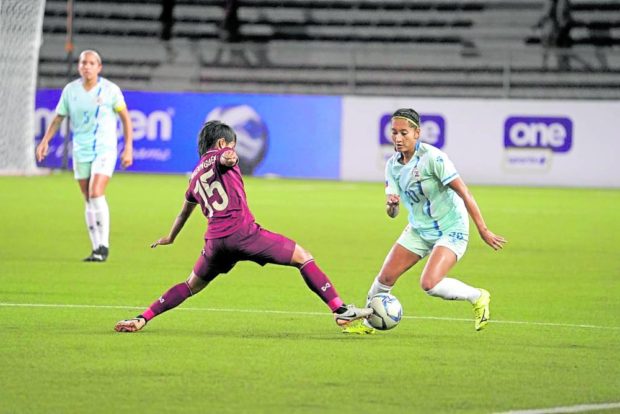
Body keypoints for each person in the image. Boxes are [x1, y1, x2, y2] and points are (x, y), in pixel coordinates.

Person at [114, 120, 372, 333]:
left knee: (191, 285)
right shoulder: (222, 155)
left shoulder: (193, 177)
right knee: (303, 258)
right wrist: (228, 155)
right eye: (232, 146)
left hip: (215, 243)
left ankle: (143, 317)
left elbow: (183, 213)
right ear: (222, 143)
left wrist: (170, 237)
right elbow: (227, 159)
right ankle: (340, 311)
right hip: (244, 234)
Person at [343, 108, 506, 335]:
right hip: (419, 229)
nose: (398, 139)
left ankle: (477, 296)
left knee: (429, 284)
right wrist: (392, 206)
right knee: (385, 278)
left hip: (451, 228)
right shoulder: (393, 166)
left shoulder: (434, 158)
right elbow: (392, 214)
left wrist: (483, 230)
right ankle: (369, 322)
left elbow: (464, 192)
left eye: (404, 133)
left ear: (417, 133)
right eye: (394, 133)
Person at [36, 50, 133, 262]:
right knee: (88, 198)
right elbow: (58, 118)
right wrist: (45, 141)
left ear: (99, 67)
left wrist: (128, 147)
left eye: (91, 63)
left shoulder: (110, 90)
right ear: (79, 67)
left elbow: (126, 119)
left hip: (105, 148)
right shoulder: (70, 91)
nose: (87, 66)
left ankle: (104, 245)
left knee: (96, 192)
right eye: (83, 63)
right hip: (81, 149)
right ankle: (96, 248)